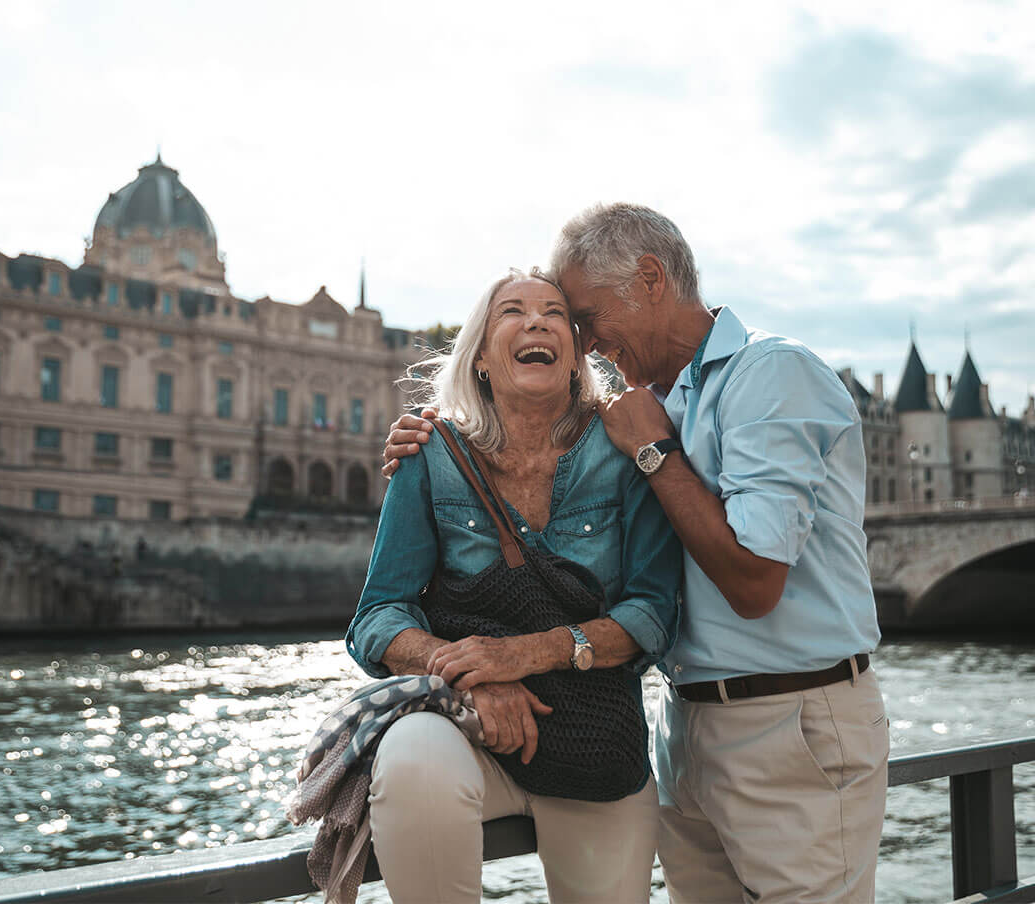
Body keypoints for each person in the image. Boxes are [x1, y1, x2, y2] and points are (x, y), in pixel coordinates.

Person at [385, 205, 889, 903]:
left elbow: (754, 583)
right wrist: (430, 440)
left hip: (791, 721)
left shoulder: (771, 374)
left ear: (650, 279)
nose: (585, 342)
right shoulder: (650, 401)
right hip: (684, 726)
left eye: (585, 317)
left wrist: (655, 452)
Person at [347, 268, 682, 903]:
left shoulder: (625, 450)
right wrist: (478, 675)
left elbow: (655, 614)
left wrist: (525, 654)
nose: (535, 322)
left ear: (577, 352)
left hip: (597, 744)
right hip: (473, 731)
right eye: (512, 312)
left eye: (554, 312)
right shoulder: (431, 451)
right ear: (478, 357)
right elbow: (376, 617)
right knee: (412, 752)